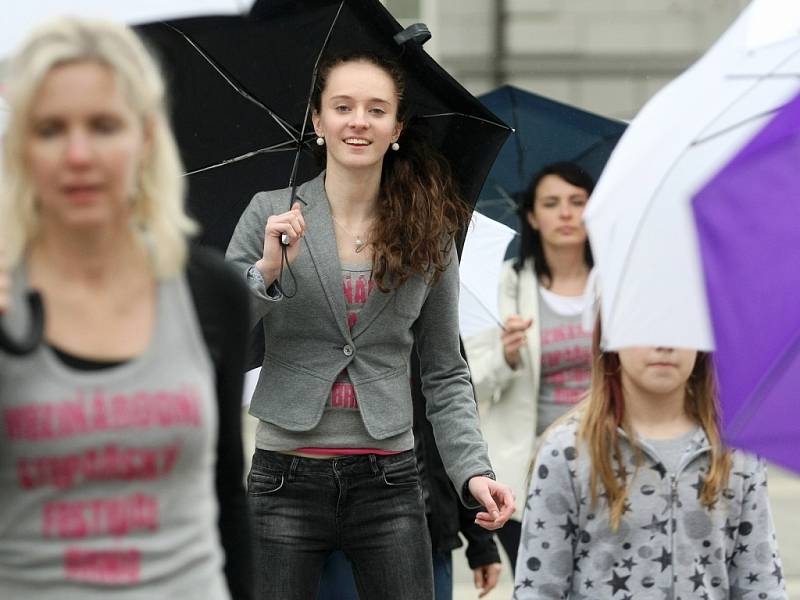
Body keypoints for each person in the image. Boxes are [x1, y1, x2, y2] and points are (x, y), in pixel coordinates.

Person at [225, 51, 514, 600]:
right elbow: (217, 334)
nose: (359, 120)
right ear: (318, 121)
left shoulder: (429, 229)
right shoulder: (270, 214)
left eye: (376, 109)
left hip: (390, 480)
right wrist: (266, 271)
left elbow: (445, 372)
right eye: (343, 106)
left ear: (396, 127)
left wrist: (473, 473)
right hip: (284, 476)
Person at [0, 17, 252, 599]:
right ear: (21, 149)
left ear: (144, 137)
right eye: (51, 129)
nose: (79, 154)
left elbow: (227, 498)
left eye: (104, 125)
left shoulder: (209, 292)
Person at [513, 323, 788, 599]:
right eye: (646, 325)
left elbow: (762, 586)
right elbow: (538, 589)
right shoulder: (566, 451)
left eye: (680, 325)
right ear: (610, 333)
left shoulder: (736, 452)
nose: (664, 345)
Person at [464, 162, 595, 571]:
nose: (566, 213)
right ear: (533, 217)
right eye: (552, 203)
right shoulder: (505, 285)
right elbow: (471, 387)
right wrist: (506, 356)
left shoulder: (617, 285)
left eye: (577, 202)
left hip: (606, 465)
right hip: (527, 473)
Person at [316, 350, 503, 600]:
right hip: (341, 526)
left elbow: (457, 428)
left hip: (427, 528)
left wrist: (482, 544)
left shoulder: (428, 317)